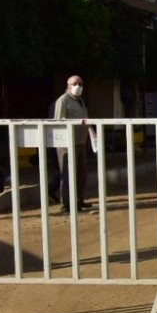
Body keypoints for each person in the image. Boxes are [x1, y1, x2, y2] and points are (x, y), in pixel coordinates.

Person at [54, 75, 91, 213]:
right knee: (68, 175)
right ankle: (67, 205)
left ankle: (79, 201)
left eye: (80, 83)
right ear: (68, 85)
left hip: (81, 142)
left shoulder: (80, 100)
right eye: (75, 83)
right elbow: (57, 122)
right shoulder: (63, 100)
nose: (78, 85)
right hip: (67, 144)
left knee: (82, 174)